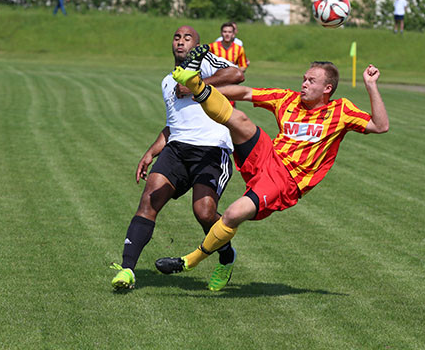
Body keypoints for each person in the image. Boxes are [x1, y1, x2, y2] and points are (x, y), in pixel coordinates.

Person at [155, 45, 389, 290]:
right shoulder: (288, 99)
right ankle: (196, 84)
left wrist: (371, 85)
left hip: (286, 181)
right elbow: (244, 92)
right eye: (304, 79)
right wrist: (205, 89)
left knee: (233, 214)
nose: (304, 84)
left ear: (327, 88)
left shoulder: (341, 110)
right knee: (241, 119)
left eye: (311, 81)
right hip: (267, 157)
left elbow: (380, 125)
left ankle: (190, 261)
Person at [110, 26, 245, 291]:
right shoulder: (167, 81)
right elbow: (173, 124)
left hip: (211, 150)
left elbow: (237, 74)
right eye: (176, 37)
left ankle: (226, 255)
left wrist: (197, 85)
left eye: (187, 38)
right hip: (176, 150)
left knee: (204, 212)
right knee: (149, 200)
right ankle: (127, 269)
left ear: (196, 44)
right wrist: (151, 151)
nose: (181, 41)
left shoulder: (205, 64)